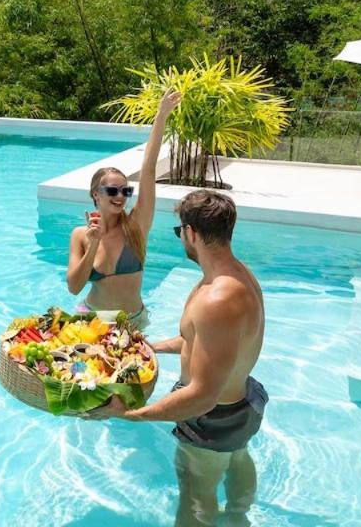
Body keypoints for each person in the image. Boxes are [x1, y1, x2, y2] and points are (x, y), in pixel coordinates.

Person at [92, 190, 267, 527]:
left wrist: (131, 415)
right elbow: (202, 342)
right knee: (237, 457)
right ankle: (238, 517)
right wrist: (152, 347)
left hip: (212, 420)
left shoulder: (216, 300)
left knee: (195, 498)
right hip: (242, 405)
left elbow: (202, 396)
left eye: (179, 232)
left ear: (191, 233)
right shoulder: (237, 276)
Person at [67, 90, 180, 329]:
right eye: (112, 190)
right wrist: (93, 244)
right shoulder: (80, 235)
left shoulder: (136, 226)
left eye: (125, 191)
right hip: (90, 320)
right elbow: (74, 287)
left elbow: (149, 169)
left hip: (132, 322)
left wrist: (161, 116)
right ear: (95, 194)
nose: (120, 196)